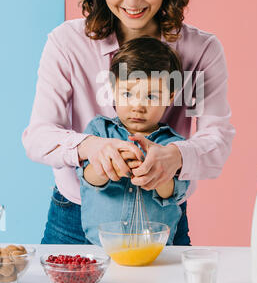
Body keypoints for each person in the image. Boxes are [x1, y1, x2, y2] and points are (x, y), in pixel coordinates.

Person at [22, 0, 235, 245]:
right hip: (74, 219)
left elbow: (218, 139)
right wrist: (91, 147)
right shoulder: (67, 43)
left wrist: (176, 156)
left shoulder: (199, 51)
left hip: (162, 219)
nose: (132, 1)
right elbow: (37, 136)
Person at [76, 36, 191, 246]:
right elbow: (87, 179)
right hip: (101, 249)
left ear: (170, 97)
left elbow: (172, 193)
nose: (137, 106)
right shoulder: (99, 131)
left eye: (151, 97)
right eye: (127, 93)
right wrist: (106, 166)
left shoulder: (173, 145)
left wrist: (157, 174)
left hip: (156, 252)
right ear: (113, 89)